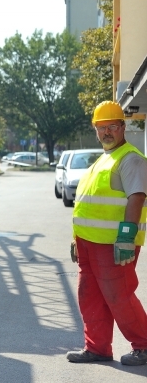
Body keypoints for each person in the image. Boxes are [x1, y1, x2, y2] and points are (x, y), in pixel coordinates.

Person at [67, 101, 147, 366]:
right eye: (101, 127)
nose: (107, 132)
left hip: (114, 244)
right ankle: (97, 348)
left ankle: (144, 346)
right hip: (89, 244)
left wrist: (126, 236)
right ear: (95, 130)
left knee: (119, 296)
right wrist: (75, 240)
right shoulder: (103, 159)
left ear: (123, 127)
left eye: (112, 126)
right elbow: (87, 203)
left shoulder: (131, 158)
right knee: (89, 295)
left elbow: (136, 199)